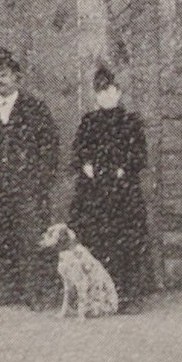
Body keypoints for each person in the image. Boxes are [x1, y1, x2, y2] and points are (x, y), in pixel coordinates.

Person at [0, 47, 60, 308]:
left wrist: (40, 179)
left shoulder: (35, 108)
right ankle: (8, 288)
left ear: (17, 77)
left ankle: (33, 291)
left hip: (26, 188)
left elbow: (50, 147)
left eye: (5, 74)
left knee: (29, 238)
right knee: (0, 237)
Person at [67, 65, 151, 312]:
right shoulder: (88, 121)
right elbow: (79, 151)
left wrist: (123, 168)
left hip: (122, 191)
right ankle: (94, 295)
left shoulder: (130, 122)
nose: (105, 95)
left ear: (118, 92)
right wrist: (85, 165)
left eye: (109, 90)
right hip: (93, 191)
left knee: (124, 239)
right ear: (95, 95)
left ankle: (125, 294)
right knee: (94, 239)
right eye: (100, 92)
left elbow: (139, 155)